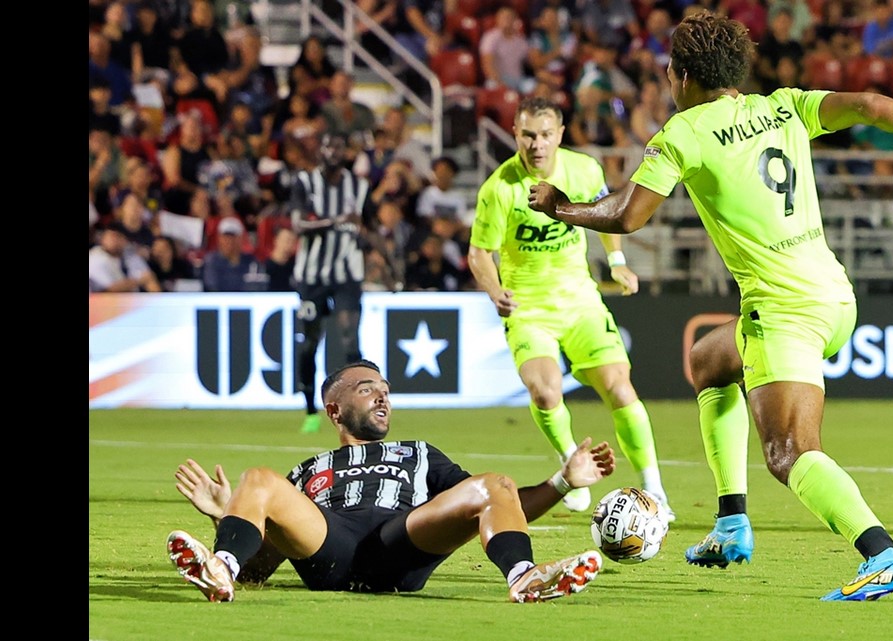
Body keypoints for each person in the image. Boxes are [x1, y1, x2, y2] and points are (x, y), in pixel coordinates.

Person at [527, 10, 893, 601]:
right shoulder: (782, 106)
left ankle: (885, 555)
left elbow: (627, 215)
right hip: (833, 295)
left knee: (790, 454)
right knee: (711, 359)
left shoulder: (683, 133)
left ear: (680, 76)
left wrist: (560, 206)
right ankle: (731, 523)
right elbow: (870, 104)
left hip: (784, 312)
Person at [167, 359, 612, 603]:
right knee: (258, 478)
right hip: (329, 547)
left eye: (384, 388)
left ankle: (523, 577)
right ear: (335, 410)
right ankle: (218, 568)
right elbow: (262, 569)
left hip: (399, 543)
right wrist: (231, 513)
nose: (382, 394)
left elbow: (498, 504)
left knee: (494, 481)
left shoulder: (418, 452)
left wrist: (563, 482)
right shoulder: (306, 469)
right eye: (366, 387)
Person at [467, 96, 675, 522]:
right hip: (529, 309)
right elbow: (478, 254)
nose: (537, 144)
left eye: (545, 135)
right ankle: (570, 465)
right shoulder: (499, 189)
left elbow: (604, 215)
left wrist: (617, 263)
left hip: (580, 301)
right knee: (544, 391)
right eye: (528, 134)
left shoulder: (583, 169)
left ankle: (654, 491)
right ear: (515, 135)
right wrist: (494, 291)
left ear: (560, 135)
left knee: (620, 389)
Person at [290, 133, 371, 434]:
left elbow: (370, 226)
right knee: (310, 343)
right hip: (313, 278)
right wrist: (336, 220)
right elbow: (298, 225)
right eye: (328, 145)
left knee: (350, 341)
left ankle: (357, 411)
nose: (333, 151)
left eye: (338, 145)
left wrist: (389, 265)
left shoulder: (359, 187)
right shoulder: (305, 183)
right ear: (320, 151)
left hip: (348, 275)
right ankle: (310, 409)